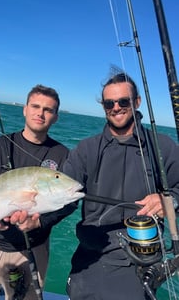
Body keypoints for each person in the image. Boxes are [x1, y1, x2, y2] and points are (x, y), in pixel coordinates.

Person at [63, 71, 179, 300]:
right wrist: (36, 217)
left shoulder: (163, 146)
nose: (116, 107)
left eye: (123, 101)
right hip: (90, 260)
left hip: (140, 263)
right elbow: (62, 198)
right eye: (109, 103)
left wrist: (169, 200)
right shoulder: (86, 149)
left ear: (136, 102)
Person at [0, 84, 77, 300]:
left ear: (56, 117)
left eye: (48, 110)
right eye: (35, 106)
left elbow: (71, 202)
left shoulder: (62, 154)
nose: (40, 113)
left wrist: (39, 222)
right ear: (25, 109)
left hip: (34, 247)